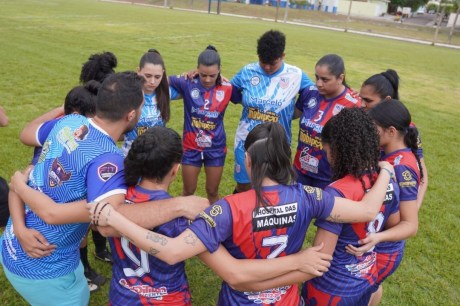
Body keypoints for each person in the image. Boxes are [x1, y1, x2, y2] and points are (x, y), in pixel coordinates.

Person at [87, 122, 395, 305]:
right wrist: (386, 171)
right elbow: (367, 209)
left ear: (248, 161)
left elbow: (175, 253)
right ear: (284, 159)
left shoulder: (225, 210)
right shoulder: (311, 196)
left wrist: (115, 219)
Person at [302, 108, 400, 305]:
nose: (326, 157)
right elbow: (394, 224)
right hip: (365, 278)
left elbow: (321, 258)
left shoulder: (337, 193)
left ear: (338, 150)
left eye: (326, 151)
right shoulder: (387, 180)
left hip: (331, 287)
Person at [348, 99, 422, 305]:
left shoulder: (402, 167)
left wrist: (377, 238)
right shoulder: (386, 152)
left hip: (383, 250)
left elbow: (410, 225)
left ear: (391, 131)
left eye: (374, 130)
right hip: (372, 241)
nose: (370, 134)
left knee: (360, 295)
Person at [230, 29, 314, 193]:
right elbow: (229, 91)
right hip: (246, 141)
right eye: (263, 62)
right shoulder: (247, 71)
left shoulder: (295, 75)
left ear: (283, 56)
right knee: (244, 187)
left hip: (277, 143)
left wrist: (294, 113)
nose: (267, 67)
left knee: (273, 189)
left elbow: (314, 95)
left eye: (272, 63)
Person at [169, 45, 231, 204]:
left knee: (212, 191)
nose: (208, 79)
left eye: (212, 75)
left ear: (219, 70)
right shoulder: (187, 82)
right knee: (188, 191)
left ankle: (216, 224)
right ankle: (182, 223)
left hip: (216, 148)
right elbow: (162, 79)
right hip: (191, 148)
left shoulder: (228, 87)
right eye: (203, 75)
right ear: (197, 69)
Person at [360, 69, 427, 209]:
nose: (361, 104)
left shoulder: (406, 129)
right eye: (361, 98)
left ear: (387, 101)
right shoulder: (361, 120)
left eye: (368, 100)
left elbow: (422, 176)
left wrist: (411, 212)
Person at [293, 54, 360, 189]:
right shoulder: (309, 93)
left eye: (325, 79)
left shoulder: (353, 104)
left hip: (328, 177)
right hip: (300, 171)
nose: (318, 83)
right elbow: (290, 115)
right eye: (317, 77)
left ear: (340, 78)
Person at [121, 49, 178, 156]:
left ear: (163, 74)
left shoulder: (166, 93)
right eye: (148, 76)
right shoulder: (128, 93)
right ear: (138, 71)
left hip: (156, 156)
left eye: (157, 77)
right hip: (130, 156)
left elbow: (193, 87)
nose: (152, 82)